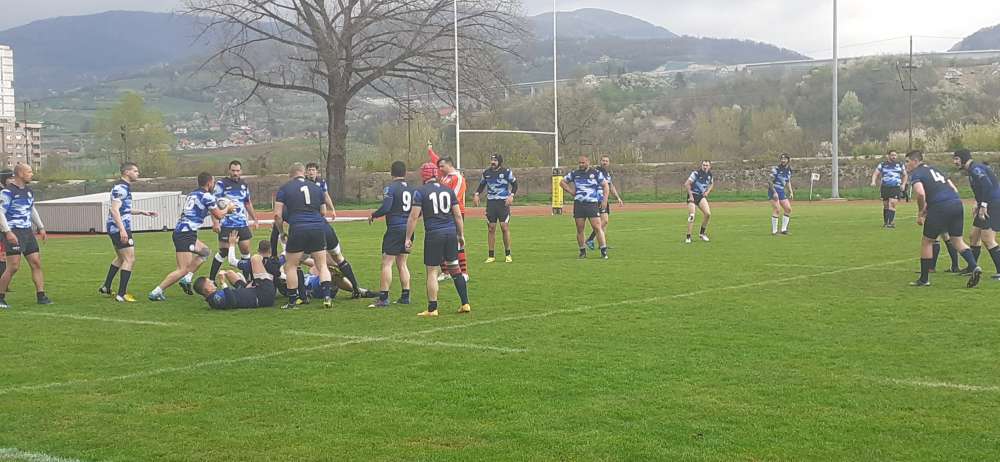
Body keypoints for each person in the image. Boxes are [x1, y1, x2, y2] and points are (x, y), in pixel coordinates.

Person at [149, 172, 234, 301]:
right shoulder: (207, 196)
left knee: (205, 252)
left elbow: (199, 212)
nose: (214, 185)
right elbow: (219, 215)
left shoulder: (192, 194)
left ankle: (187, 278)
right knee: (182, 269)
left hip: (185, 232)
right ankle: (157, 291)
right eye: (213, 182)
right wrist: (228, 209)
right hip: (185, 234)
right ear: (209, 183)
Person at [905, 150, 981, 287]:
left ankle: (924, 279)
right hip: (956, 203)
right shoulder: (935, 169)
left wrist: (921, 212)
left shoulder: (917, 173)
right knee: (957, 240)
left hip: (940, 207)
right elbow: (953, 188)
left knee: (927, 242)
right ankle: (974, 266)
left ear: (915, 161)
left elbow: (920, 194)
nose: (906, 165)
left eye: (907, 161)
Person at [404, 162, 471, 316]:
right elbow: (457, 215)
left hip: (434, 234)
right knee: (455, 269)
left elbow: (413, 217)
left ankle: (432, 308)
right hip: (450, 233)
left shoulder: (420, 192)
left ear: (424, 175)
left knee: (432, 271)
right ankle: (465, 303)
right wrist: (460, 235)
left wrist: (408, 237)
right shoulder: (448, 190)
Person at [274, 163, 333, 309]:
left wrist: (281, 232)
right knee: (322, 264)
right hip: (317, 227)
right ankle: (327, 297)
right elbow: (323, 212)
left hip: (298, 228)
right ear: (303, 172)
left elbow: (277, 215)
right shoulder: (316, 187)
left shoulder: (285, 188)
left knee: (291, 266)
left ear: (291, 174)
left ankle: (292, 301)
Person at [99, 162, 159, 302]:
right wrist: (122, 230)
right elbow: (114, 210)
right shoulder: (121, 188)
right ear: (127, 172)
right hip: (119, 227)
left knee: (121, 258)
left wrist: (142, 212)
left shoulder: (124, 187)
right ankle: (122, 294)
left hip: (115, 227)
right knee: (129, 259)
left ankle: (106, 287)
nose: (138, 173)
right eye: (135, 171)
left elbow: (123, 209)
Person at [306, 161, 363, 297]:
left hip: (312, 225)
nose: (311, 172)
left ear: (317, 171)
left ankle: (300, 296)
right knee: (335, 258)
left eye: (313, 170)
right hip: (321, 224)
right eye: (309, 170)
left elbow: (325, 197)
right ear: (305, 172)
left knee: (298, 259)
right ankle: (355, 289)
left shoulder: (320, 183)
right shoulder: (307, 184)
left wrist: (332, 209)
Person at [0, 164, 51, 308]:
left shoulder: (29, 191)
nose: (31, 174)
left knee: (36, 263)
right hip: (14, 231)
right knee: (13, 266)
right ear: (20, 174)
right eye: (29, 171)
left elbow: (32, 209)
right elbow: (0, 212)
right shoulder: (7, 192)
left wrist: (41, 227)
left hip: (27, 232)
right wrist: (7, 231)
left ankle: (41, 295)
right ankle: (1, 297)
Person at [368, 160, 413, 308]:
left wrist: (374, 214)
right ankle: (405, 296)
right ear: (405, 173)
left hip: (395, 228)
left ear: (391, 173)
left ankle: (383, 298)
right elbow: (417, 212)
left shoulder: (391, 188)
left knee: (387, 263)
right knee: (402, 263)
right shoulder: (412, 189)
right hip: (408, 230)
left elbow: (386, 207)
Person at [953, 149, 1000, 279]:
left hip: (993, 204)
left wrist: (983, 205)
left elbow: (987, 186)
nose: (955, 162)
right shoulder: (972, 170)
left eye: (956, 159)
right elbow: (981, 188)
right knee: (974, 236)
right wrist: (977, 203)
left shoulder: (975, 168)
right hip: (987, 204)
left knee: (987, 238)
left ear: (963, 158)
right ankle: (972, 267)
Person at [209, 160, 258, 280]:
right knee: (224, 251)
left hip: (242, 223)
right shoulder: (221, 184)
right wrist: (215, 222)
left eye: (237, 170)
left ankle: (247, 280)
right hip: (227, 224)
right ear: (229, 170)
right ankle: (212, 279)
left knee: (245, 250)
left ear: (241, 171)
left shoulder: (244, 184)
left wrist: (255, 219)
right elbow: (213, 203)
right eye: (233, 170)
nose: (235, 173)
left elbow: (247, 203)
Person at [560, 155, 610, 259]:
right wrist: (571, 191)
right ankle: (582, 251)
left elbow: (605, 185)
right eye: (579, 163)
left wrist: (604, 200)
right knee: (580, 228)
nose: (581, 165)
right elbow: (562, 182)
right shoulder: (575, 173)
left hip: (592, 204)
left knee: (597, 227)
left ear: (588, 162)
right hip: (579, 204)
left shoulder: (595, 173)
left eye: (583, 163)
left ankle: (603, 251)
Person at [432, 150, 470, 281]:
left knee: (458, 241)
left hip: (455, 213)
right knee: (442, 241)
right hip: (444, 213)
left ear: (449, 164)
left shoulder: (458, 178)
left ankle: (464, 272)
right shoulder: (444, 178)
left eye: (442, 166)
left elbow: (454, 197)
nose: (440, 169)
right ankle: (446, 272)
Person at [473, 154, 516, 263]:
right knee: (491, 228)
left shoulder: (506, 172)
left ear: (499, 162)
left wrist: (511, 196)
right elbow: (481, 185)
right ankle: (491, 256)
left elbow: (515, 184)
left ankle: (508, 254)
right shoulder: (486, 173)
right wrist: (477, 194)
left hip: (503, 203)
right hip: (491, 203)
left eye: (495, 160)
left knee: (504, 227)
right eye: (492, 160)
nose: (493, 162)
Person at [193, 255, 276, 310]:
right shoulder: (216, 298)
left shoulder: (214, 297)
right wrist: (223, 283)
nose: (212, 282)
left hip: (256, 292)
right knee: (256, 259)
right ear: (207, 290)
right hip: (264, 295)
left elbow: (235, 296)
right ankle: (279, 274)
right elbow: (232, 302)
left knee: (229, 273)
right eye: (209, 283)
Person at [587, 155, 624, 250]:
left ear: (609, 162)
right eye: (603, 160)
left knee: (604, 223)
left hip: (604, 199)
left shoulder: (607, 173)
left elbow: (611, 186)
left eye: (606, 161)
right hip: (597, 199)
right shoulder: (595, 171)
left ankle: (602, 245)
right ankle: (590, 239)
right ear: (600, 161)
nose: (605, 162)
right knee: (604, 221)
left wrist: (618, 198)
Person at [871, 150, 907, 228]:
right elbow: (876, 173)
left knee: (892, 203)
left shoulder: (900, 164)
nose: (894, 157)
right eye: (892, 155)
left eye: (895, 155)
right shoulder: (883, 164)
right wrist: (873, 181)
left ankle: (890, 223)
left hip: (895, 186)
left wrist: (903, 184)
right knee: (886, 205)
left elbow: (905, 175)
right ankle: (886, 222)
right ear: (888, 156)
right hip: (885, 187)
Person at [684, 160, 714, 244]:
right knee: (692, 216)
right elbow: (687, 184)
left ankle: (702, 234)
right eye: (704, 165)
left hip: (700, 196)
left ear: (709, 166)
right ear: (701, 165)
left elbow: (711, 184)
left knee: (708, 214)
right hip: (692, 196)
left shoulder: (710, 175)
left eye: (707, 165)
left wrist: (707, 192)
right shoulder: (696, 173)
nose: (705, 167)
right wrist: (690, 196)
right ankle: (688, 237)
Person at [769, 153, 794, 235]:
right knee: (777, 209)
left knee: (788, 209)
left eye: (785, 159)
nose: (783, 160)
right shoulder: (776, 169)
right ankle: (774, 232)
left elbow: (788, 181)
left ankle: (784, 230)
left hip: (781, 191)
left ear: (788, 160)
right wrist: (774, 193)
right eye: (782, 159)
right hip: (773, 190)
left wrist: (791, 191)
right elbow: (770, 181)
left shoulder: (789, 170)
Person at [0, 169, 16, 281]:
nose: (13, 180)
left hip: (5, 229)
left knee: (4, 256)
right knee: (2, 256)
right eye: (10, 178)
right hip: (2, 229)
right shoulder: (3, 193)